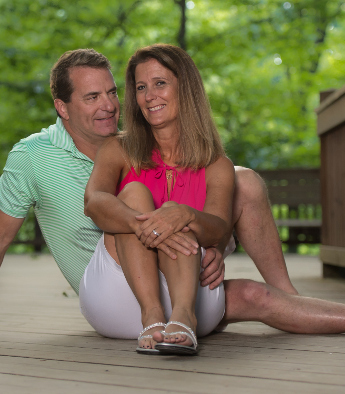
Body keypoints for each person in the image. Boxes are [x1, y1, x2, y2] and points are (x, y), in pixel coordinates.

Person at [0, 47, 345, 347]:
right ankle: (162, 318)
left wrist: (214, 239)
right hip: (117, 289)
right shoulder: (36, 156)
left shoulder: (141, 142)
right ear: (61, 106)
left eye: (114, 92)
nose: (109, 106)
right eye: (91, 97)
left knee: (251, 236)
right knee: (137, 197)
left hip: (178, 271)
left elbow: (205, 205)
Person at [82, 44, 235, 355]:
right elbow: (94, 202)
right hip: (119, 292)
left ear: (186, 88)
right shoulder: (117, 149)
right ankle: (151, 313)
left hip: (192, 295)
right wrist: (146, 225)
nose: (149, 96)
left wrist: (184, 216)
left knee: (177, 213)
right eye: (141, 87)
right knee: (137, 194)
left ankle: (183, 315)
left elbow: (219, 229)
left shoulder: (218, 164)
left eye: (160, 83)